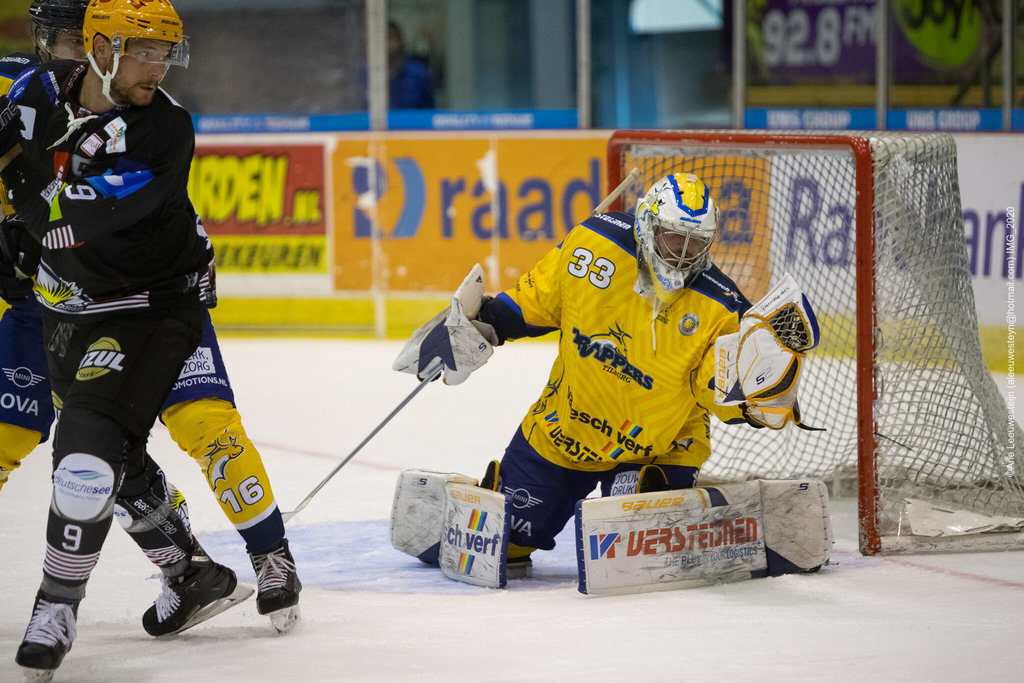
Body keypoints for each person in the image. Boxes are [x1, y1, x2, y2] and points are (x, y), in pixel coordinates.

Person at [0, 0, 295, 675]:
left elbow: (78, 218)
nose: (158, 68)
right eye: (145, 53)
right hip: (72, 310)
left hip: (156, 305)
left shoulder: (163, 128)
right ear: (100, 49)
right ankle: (187, 569)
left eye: (166, 55)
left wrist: (21, 211)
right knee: (114, 453)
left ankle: (271, 556)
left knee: (197, 426)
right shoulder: (41, 90)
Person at [396, 172, 813, 578]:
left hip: (655, 448)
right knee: (508, 543)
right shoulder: (592, 245)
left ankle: (705, 518)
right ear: (648, 226)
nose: (683, 255)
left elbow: (717, 391)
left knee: (635, 548)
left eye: (696, 244)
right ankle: (474, 501)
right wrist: (479, 324)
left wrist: (759, 402)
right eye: (673, 238)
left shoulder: (722, 309)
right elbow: (532, 303)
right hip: (563, 430)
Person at [388, 20, 435, 109]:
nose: (387, 44)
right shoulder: (367, 75)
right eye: (381, 39)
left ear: (400, 40)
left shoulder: (418, 73)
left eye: (390, 37)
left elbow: (430, 113)